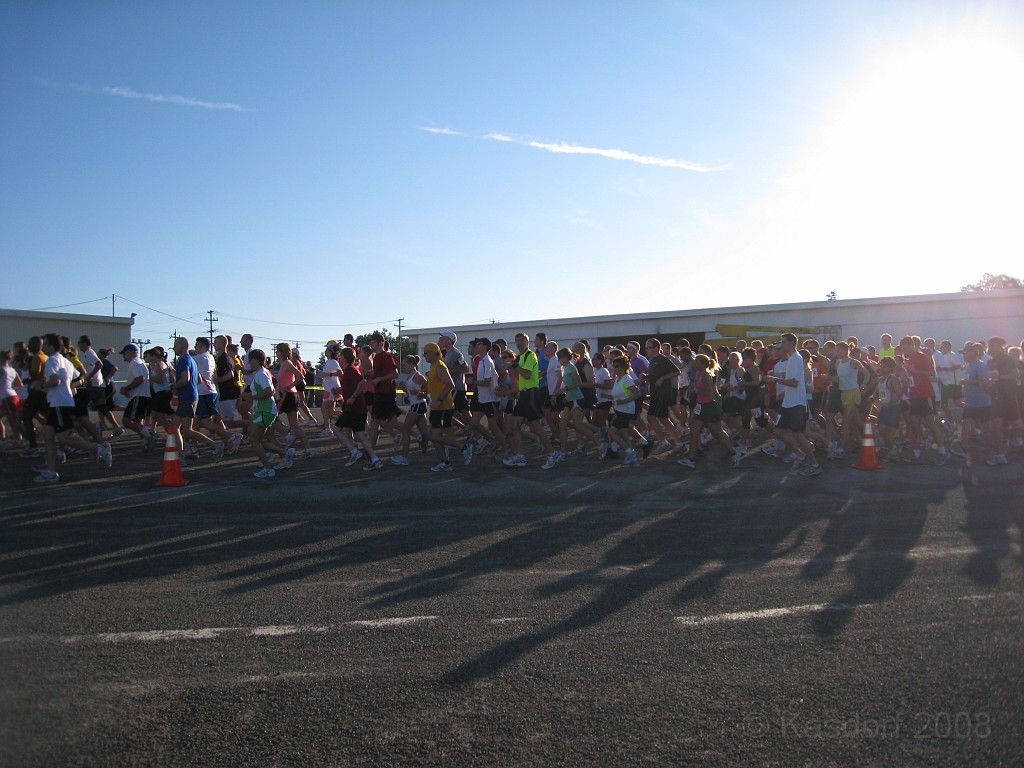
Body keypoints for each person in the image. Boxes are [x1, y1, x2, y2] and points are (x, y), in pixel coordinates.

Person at [33, 333, 112, 484]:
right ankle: (51, 471)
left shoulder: (52, 361)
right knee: (49, 436)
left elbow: (55, 381)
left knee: (64, 437)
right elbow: (79, 377)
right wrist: (70, 387)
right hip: (61, 401)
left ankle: (98, 449)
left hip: (59, 403)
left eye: (44, 344)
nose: (42, 347)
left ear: (50, 346)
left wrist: (41, 385)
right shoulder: (65, 361)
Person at [765, 333, 822, 477]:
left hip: (796, 403)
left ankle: (814, 463)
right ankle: (800, 454)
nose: (781, 345)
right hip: (788, 403)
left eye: (783, 342)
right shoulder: (791, 359)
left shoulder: (796, 359)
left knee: (799, 434)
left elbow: (794, 382)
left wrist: (774, 379)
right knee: (778, 431)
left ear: (791, 343)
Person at [502, 333, 553, 467]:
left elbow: (527, 374)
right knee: (514, 425)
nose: (519, 342)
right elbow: (519, 378)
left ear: (527, 342)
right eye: (517, 340)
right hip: (524, 394)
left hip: (531, 393)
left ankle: (553, 453)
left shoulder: (530, 355)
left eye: (522, 340)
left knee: (536, 427)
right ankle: (520, 456)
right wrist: (511, 368)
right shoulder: (521, 358)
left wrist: (514, 366)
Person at [240, 348, 292, 478]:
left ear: (254, 360)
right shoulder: (262, 373)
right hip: (264, 410)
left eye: (249, 361)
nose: (248, 364)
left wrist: (252, 397)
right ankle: (284, 453)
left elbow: (269, 391)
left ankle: (269, 467)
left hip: (265, 410)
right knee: (263, 439)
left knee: (254, 440)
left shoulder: (261, 374)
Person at [170, 337, 223, 462]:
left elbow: (185, 379)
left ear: (182, 347)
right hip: (191, 396)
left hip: (187, 398)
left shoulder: (183, 360)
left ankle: (215, 445)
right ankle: (180, 457)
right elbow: (198, 379)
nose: (174, 348)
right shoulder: (192, 360)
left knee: (187, 430)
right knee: (176, 427)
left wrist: (173, 387)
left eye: (175, 346)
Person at [422, 342, 472, 472]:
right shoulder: (434, 366)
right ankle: (445, 461)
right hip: (436, 407)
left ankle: (463, 448)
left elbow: (450, 384)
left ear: (433, 353)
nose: (424, 356)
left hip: (443, 406)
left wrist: (439, 399)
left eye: (426, 353)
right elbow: (436, 386)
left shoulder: (439, 366)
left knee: (435, 436)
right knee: (434, 436)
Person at [274, 342, 314, 459]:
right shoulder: (284, 364)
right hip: (287, 395)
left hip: (288, 396)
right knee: (294, 425)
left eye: (277, 351)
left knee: (271, 416)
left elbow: (301, 376)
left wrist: (289, 386)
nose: (276, 353)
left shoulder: (287, 363)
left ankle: (286, 436)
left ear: (281, 352)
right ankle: (307, 448)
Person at [118, 344, 155, 453]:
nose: (124, 357)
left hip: (139, 396)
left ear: (130, 352)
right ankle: (147, 442)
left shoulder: (135, 362)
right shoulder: (140, 363)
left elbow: (140, 379)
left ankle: (150, 434)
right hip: (144, 395)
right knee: (138, 423)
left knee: (126, 420)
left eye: (125, 354)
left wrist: (127, 389)